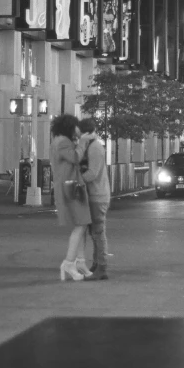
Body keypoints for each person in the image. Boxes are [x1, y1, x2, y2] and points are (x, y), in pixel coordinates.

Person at [49, 114, 92, 282]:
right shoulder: (63, 142)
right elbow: (75, 157)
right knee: (81, 225)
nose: (78, 129)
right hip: (71, 188)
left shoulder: (58, 141)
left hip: (70, 187)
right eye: (75, 126)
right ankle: (69, 262)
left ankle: (80, 262)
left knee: (81, 223)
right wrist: (82, 142)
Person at [78, 117, 111, 281]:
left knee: (98, 232)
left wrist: (77, 180)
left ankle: (102, 267)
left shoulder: (95, 147)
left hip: (98, 195)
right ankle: (97, 264)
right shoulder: (91, 146)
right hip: (94, 194)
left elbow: (92, 173)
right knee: (94, 232)